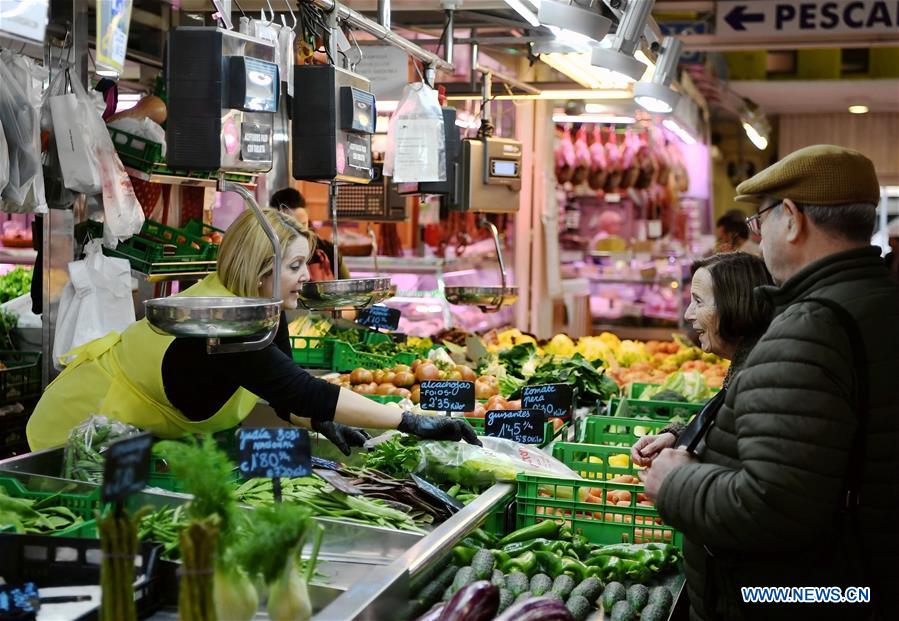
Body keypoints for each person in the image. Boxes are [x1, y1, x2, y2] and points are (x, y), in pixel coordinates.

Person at [640, 145, 899, 620]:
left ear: (793, 220)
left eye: (759, 223)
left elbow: (773, 508)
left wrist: (674, 482)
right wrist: (691, 437)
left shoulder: (811, 328)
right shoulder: (880, 301)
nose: (757, 241)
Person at [26, 208, 479, 452]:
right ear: (260, 269)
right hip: (74, 430)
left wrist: (318, 421)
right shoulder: (224, 319)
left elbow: (284, 393)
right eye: (295, 265)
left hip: (128, 439)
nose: (306, 276)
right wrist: (407, 420)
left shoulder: (263, 311)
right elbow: (303, 390)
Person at [631, 252, 773, 463]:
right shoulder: (748, 365)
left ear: (734, 306)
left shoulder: (757, 382)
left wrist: (680, 474)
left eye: (698, 301)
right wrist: (679, 437)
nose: (688, 314)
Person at [269, 187, 350, 280]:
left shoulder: (328, 250)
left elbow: (347, 286)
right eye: (292, 227)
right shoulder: (269, 256)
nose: (300, 232)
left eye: (303, 224)